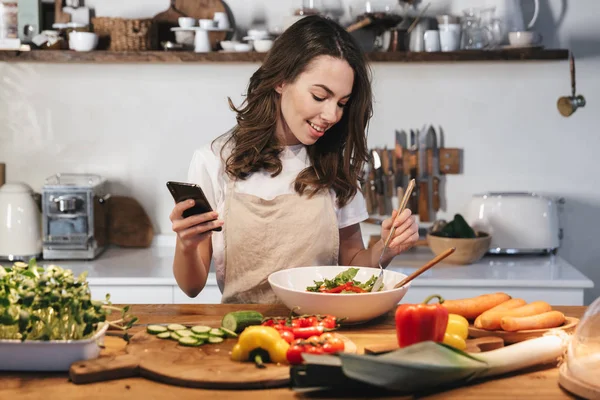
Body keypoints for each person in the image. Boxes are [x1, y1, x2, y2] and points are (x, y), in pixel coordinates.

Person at [170, 15, 419, 304]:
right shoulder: (213, 161)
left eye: (341, 103)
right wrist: (186, 246)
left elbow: (353, 264)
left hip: (320, 334)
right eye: (319, 96)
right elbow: (192, 286)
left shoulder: (334, 165)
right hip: (244, 335)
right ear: (281, 80)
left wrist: (384, 250)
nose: (332, 116)